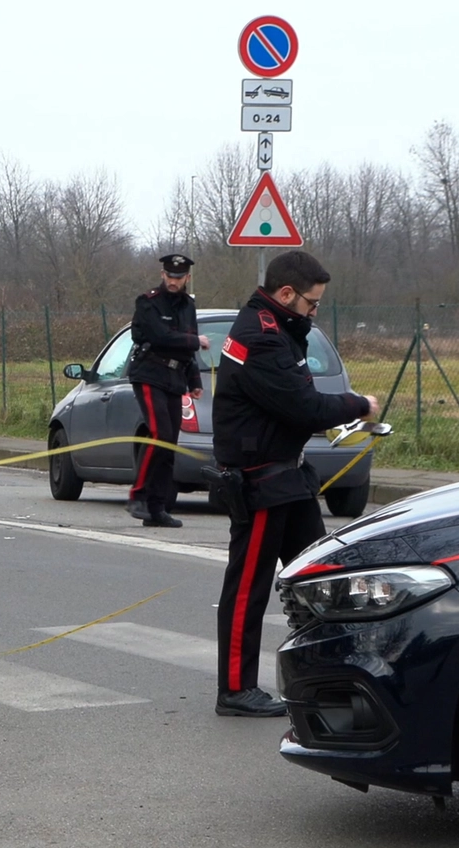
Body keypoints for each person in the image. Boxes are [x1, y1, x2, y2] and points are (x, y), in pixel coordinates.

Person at [211, 250, 379, 717]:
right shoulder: (260, 337)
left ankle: (329, 677)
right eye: (311, 303)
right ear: (286, 294)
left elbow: (293, 403)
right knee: (249, 586)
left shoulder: (278, 329)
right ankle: (235, 689)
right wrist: (358, 404)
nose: (313, 311)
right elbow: (304, 406)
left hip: (288, 474)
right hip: (261, 479)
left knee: (320, 578)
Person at [124, 253, 209, 529]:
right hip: (149, 373)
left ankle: (157, 508)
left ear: (187, 278)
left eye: (179, 277)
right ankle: (138, 495)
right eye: (169, 276)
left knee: (169, 443)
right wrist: (195, 341)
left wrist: (195, 381)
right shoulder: (147, 302)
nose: (173, 281)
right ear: (163, 275)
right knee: (159, 433)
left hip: (174, 376)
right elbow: (161, 337)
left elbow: (185, 349)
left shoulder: (188, 306)